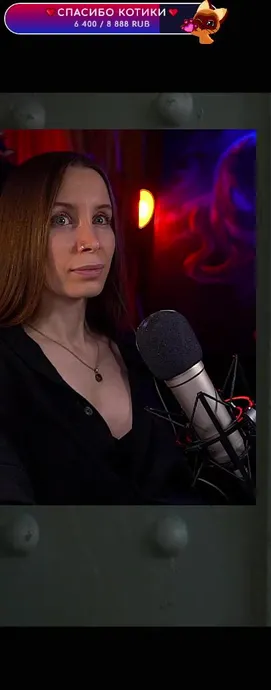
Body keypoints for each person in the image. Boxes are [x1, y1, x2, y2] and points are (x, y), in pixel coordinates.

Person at [0, 152, 210, 504]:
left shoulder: (145, 358)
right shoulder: (8, 367)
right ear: (19, 233)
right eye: (61, 219)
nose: (91, 241)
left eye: (101, 218)